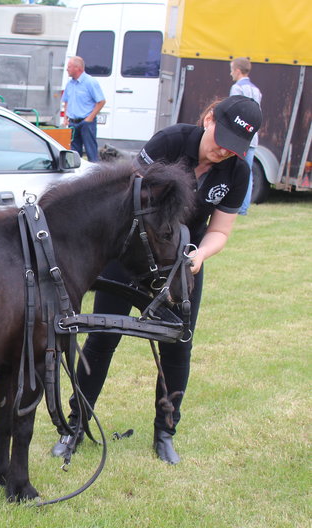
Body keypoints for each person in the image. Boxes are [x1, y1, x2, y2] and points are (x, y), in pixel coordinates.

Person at [49, 95, 263, 465]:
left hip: (179, 266)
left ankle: (165, 433)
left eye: (235, 147)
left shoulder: (237, 172)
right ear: (209, 119)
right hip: (131, 256)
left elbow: (220, 230)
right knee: (102, 339)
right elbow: (127, 197)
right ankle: (75, 426)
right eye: (223, 140)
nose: (225, 151)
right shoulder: (170, 142)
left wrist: (199, 256)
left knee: (178, 346)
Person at [229, 57, 262, 215]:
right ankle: (243, 208)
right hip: (252, 137)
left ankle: (232, 206)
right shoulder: (256, 90)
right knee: (246, 173)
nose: (230, 73)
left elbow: (234, 112)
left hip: (238, 138)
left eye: (231, 70)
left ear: (237, 70)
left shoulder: (237, 88)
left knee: (233, 171)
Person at [61, 56, 106, 162]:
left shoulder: (90, 82)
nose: (67, 69)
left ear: (78, 68)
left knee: (91, 152)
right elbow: (66, 101)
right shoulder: (70, 83)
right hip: (73, 123)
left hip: (86, 123)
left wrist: (89, 118)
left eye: (69, 67)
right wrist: (65, 118)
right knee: (74, 154)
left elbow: (101, 101)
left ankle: (95, 171)